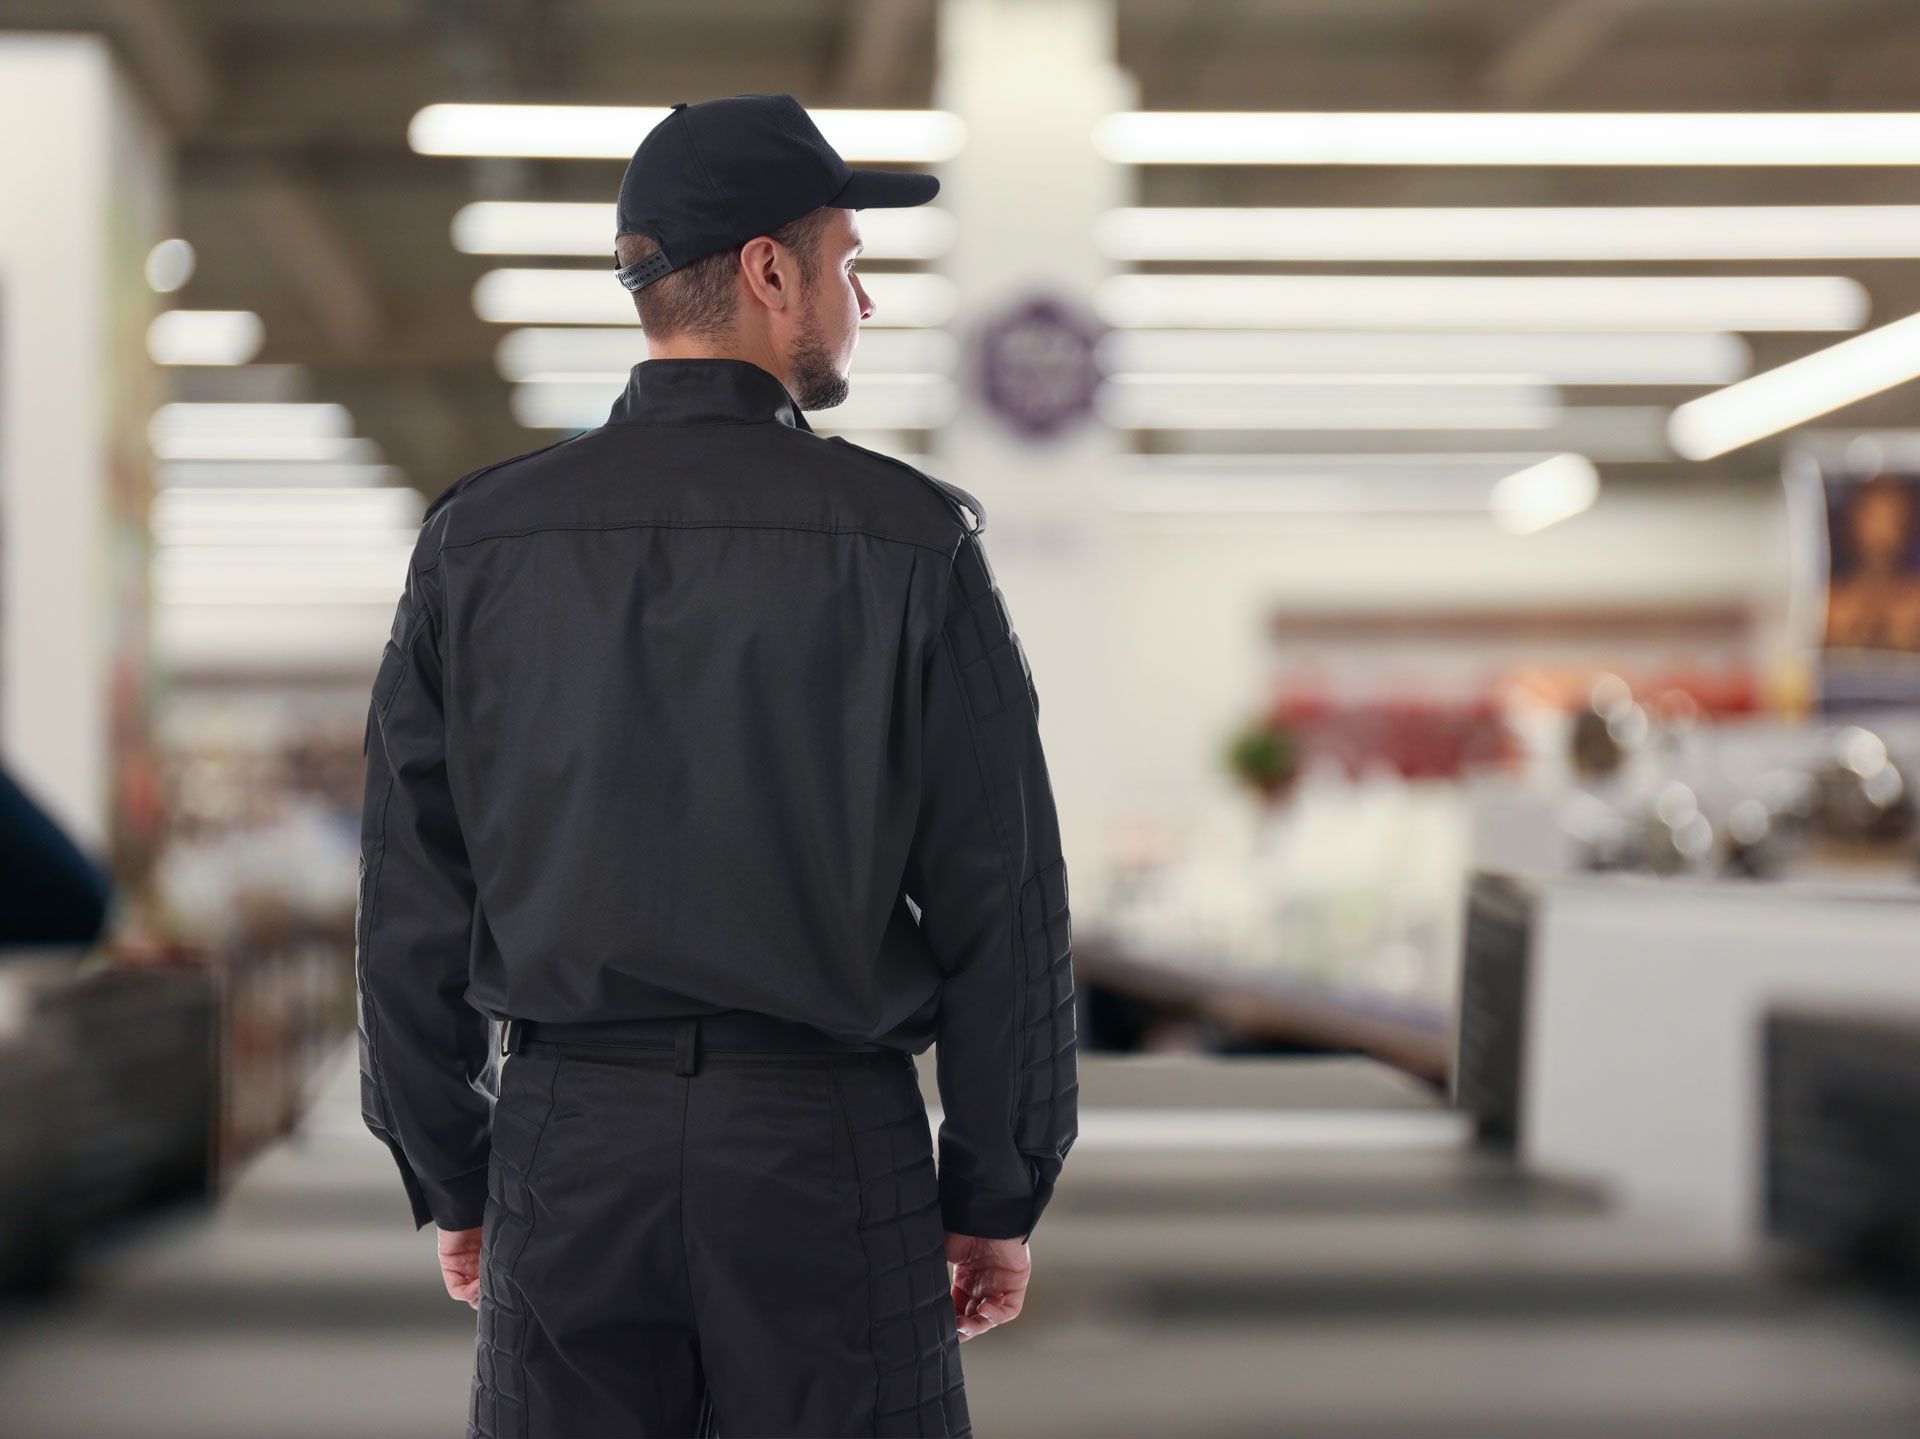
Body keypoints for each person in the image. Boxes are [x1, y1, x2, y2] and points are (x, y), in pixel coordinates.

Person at [355, 93, 1077, 1438]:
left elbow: (411, 895)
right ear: (767, 271)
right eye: (850, 264)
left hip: (567, 1150)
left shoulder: (478, 545)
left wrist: (455, 1171)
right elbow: (1004, 898)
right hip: (824, 1151)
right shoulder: (910, 543)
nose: (863, 300)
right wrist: (995, 1189)